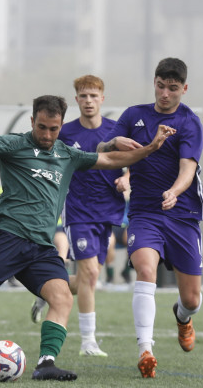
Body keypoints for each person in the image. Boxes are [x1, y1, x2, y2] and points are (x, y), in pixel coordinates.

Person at [0, 95, 175, 381]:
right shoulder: (14, 145)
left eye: (53, 129)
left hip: (41, 248)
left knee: (61, 299)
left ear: (60, 126)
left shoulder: (67, 155)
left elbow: (110, 158)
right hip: (7, 240)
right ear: (32, 121)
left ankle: (46, 363)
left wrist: (151, 147)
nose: (47, 135)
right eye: (42, 127)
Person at [98, 57, 203, 379]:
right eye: (160, 86)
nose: (165, 94)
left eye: (173, 89)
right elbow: (104, 149)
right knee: (145, 269)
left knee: (192, 299)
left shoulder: (189, 122)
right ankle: (146, 350)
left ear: (184, 89)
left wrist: (175, 190)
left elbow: (189, 167)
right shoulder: (134, 115)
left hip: (182, 214)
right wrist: (114, 141)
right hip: (144, 212)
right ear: (154, 83)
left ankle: (183, 318)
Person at [30, 75, 129, 359]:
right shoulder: (65, 132)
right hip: (79, 212)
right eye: (83, 96)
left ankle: (44, 290)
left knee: (90, 278)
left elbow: (133, 161)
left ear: (102, 99)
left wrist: (127, 178)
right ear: (76, 100)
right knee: (87, 274)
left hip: (108, 212)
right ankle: (88, 342)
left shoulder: (115, 131)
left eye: (93, 96)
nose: (88, 101)